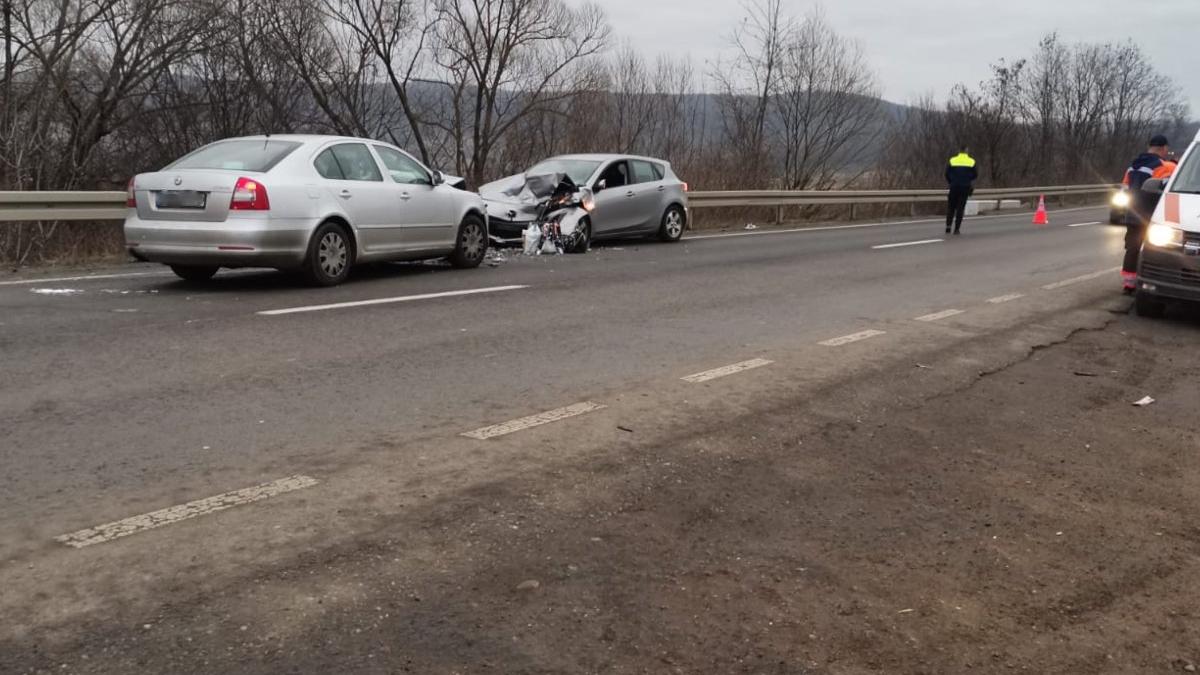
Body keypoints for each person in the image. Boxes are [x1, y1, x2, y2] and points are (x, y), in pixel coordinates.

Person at [1120, 135, 1175, 292]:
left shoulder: (1133, 166)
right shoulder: (1166, 166)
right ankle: (1152, 283)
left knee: (1132, 249)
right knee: (1157, 250)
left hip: (1132, 213)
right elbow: (1170, 192)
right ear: (1164, 148)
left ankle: (1128, 284)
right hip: (1154, 216)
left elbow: (1125, 189)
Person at [945, 146, 978, 235]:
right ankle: (956, 229)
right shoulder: (971, 161)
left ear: (959, 151)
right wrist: (967, 179)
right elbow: (975, 174)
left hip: (954, 187)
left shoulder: (952, 160)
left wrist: (951, 181)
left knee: (951, 207)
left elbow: (947, 173)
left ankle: (948, 227)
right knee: (960, 208)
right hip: (965, 187)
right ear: (966, 151)